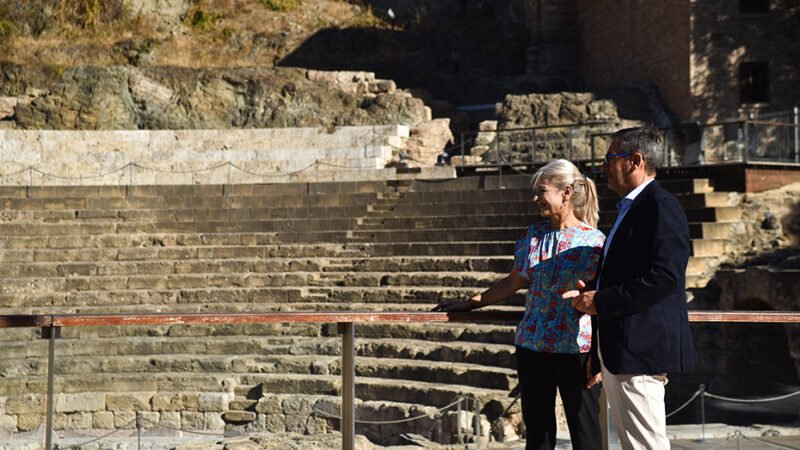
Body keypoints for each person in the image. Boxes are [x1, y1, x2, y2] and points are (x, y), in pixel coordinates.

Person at [434, 159, 605, 450]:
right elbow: (513, 282)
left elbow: (603, 302)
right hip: (532, 346)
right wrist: (472, 303)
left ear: (565, 192)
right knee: (537, 434)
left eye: (542, 191)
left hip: (576, 350)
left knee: (585, 432)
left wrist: (599, 357)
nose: (535, 198)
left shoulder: (595, 243)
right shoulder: (533, 236)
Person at [566, 126, 696, 449]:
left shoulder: (660, 206)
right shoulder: (633, 207)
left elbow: (665, 277)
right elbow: (629, 271)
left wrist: (601, 300)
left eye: (611, 158)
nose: (605, 166)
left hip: (640, 352)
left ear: (635, 161)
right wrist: (593, 289)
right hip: (621, 352)